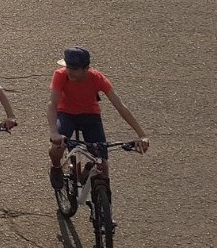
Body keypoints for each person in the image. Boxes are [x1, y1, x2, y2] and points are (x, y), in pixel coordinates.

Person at [45, 47, 150, 188]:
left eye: (75, 69)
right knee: (57, 147)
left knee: (102, 162)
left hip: (90, 115)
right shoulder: (60, 75)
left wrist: (141, 134)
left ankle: (104, 200)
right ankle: (56, 168)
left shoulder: (97, 78)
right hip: (66, 114)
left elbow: (120, 106)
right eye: (68, 67)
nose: (70, 72)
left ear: (86, 68)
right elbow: (52, 104)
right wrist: (54, 132)